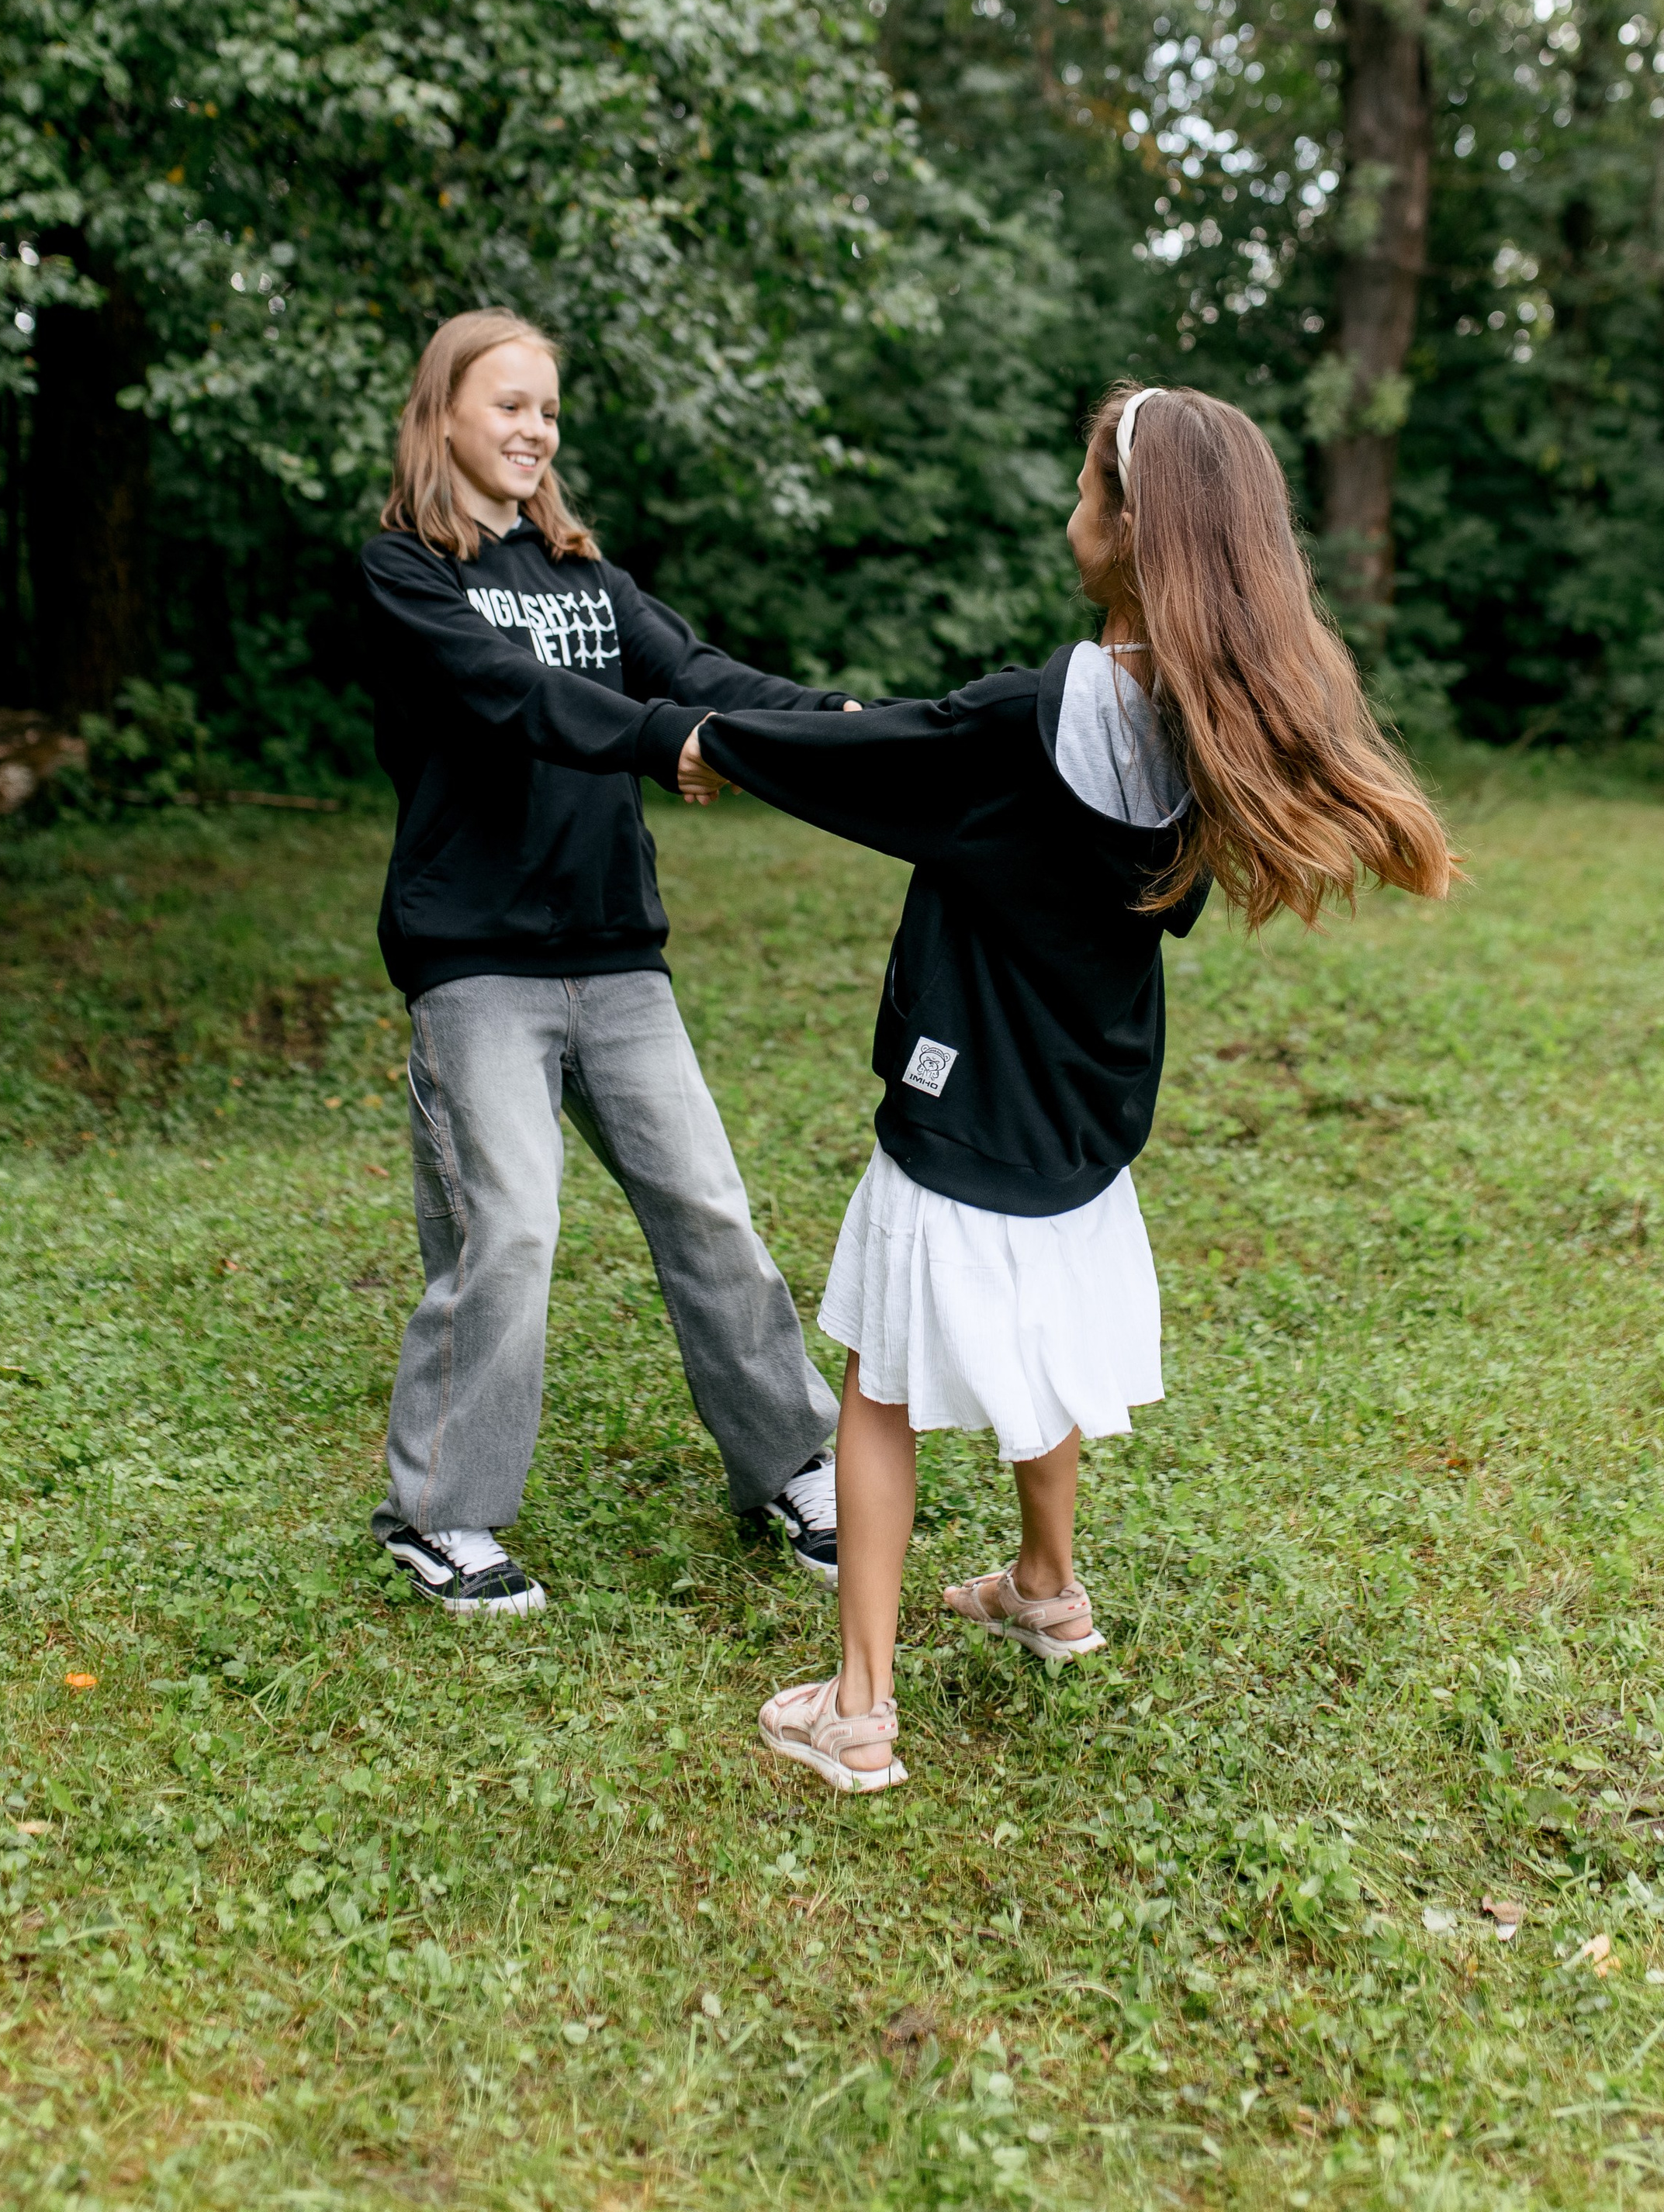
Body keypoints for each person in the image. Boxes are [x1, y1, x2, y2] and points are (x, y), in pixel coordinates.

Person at [664, 382, 1458, 1791]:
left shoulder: (1025, 722)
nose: (1065, 516)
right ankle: (1045, 1583)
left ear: (1131, 532)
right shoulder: (1214, 739)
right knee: (1036, 1337)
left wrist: (704, 741)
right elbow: (926, 757)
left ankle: (857, 1707)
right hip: (1087, 1119)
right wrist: (806, 722)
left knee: (874, 1391)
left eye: (1085, 494)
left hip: (962, 1101)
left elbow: (874, 765)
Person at [361, 307, 855, 1615]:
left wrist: (843, 726)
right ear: (445, 414)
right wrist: (662, 741)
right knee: (506, 1229)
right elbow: (508, 698)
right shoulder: (402, 574)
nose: (534, 430)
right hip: (477, 962)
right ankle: (441, 1519)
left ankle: (790, 1467)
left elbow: (697, 670)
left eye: (548, 411)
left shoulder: (586, 576)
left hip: (617, 957)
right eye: (509, 405)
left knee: (712, 1209)